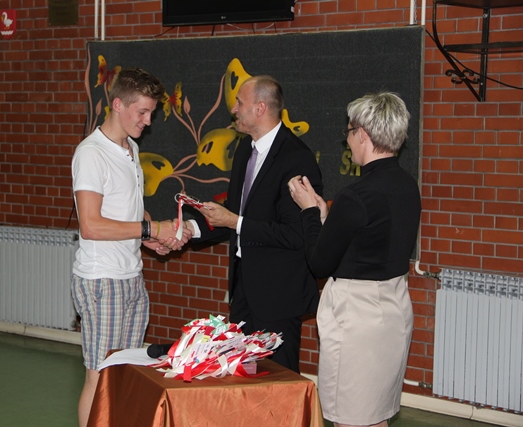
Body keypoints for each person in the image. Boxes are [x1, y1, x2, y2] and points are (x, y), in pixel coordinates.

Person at [287, 92, 421, 427]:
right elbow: (364, 244)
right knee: (375, 416)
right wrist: (324, 217)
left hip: (358, 317)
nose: (347, 141)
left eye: (349, 132)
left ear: (362, 134)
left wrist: (308, 212)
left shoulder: (357, 195)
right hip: (394, 309)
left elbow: (320, 264)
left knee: (350, 419)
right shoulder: (407, 185)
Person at [71, 68, 192, 427]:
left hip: (131, 277)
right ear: (118, 104)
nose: (147, 120)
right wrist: (151, 228)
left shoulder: (132, 148)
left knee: (124, 373)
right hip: (101, 280)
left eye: (151, 112)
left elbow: (130, 212)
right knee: (100, 375)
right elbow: (91, 225)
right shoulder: (91, 154)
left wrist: (151, 239)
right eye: (142, 112)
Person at [186, 75, 323, 373]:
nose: (233, 109)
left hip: (278, 297)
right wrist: (192, 229)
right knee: (240, 378)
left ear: (260, 108)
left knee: (277, 382)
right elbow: (235, 213)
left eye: (239, 102)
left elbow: (295, 234)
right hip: (243, 291)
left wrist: (235, 221)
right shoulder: (244, 150)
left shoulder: (297, 158)